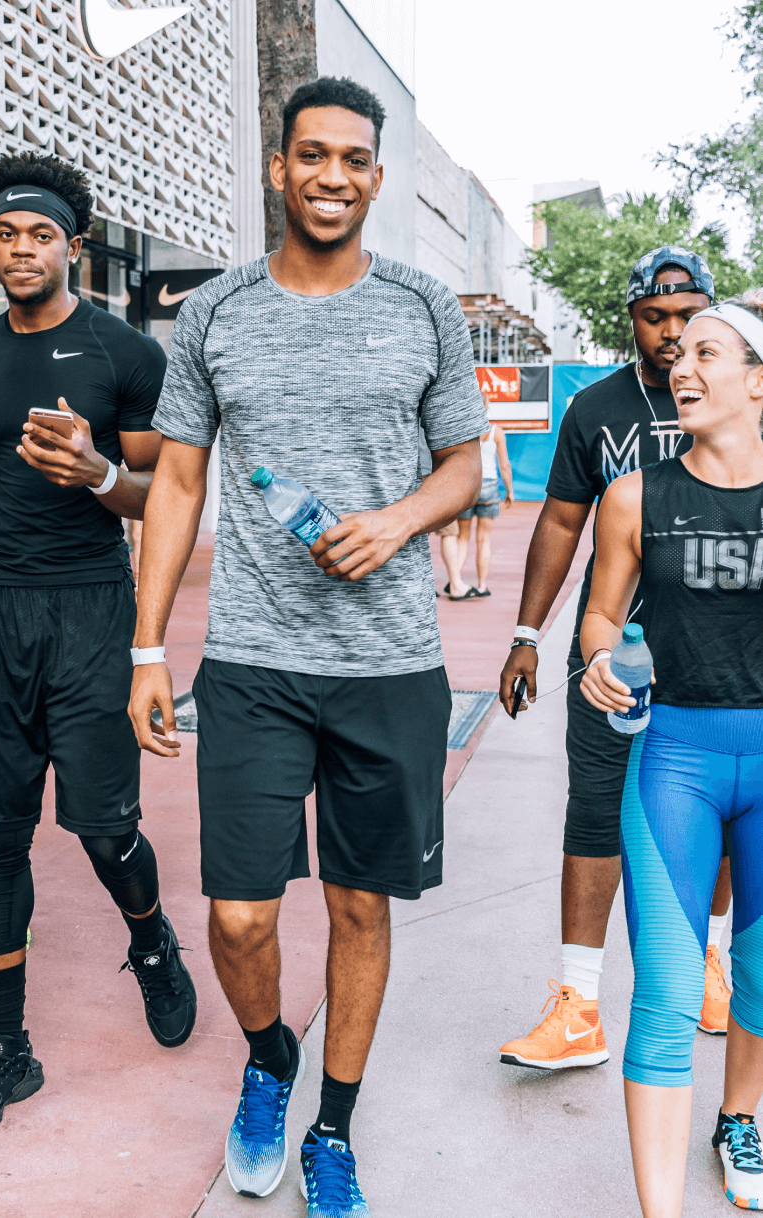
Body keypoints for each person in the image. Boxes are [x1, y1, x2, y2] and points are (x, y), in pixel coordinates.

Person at [129, 77, 486, 1217]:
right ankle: (268, 1060)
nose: (334, 176)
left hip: (389, 667)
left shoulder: (425, 306)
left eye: (355, 159)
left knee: (359, 907)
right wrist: (147, 649)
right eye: (313, 155)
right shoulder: (216, 311)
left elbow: (466, 466)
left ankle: (332, 1125)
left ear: (377, 178)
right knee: (239, 915)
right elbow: (177, 481)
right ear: (278, 168)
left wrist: (398, 521)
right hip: (253, 662)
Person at [0, 151, 196, 1140]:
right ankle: (8, 1049)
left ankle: (152, 942)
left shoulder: (124, 356)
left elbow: (165, 494)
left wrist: (96, 473)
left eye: (40, 234)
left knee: (102, 828)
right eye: (6, 235)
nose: (21, 249)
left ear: (73, 247)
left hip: (92, 609)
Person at [497, 247, 734, 1070]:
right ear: (631, 319)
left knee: (723, 817)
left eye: (688, 316)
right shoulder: (598, 408)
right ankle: (579, 1005)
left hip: (719, 652)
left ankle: (709, 964)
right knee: (595, 812)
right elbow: (561, 523)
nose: (671, 332)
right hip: (614, 649)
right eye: (654, 316)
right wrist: (527, 636)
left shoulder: (742, 398)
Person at [578, 292, 763, 1216]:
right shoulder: (636, 495)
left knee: (761, 982)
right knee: (666, 991)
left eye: (708, 353)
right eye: (678, 353)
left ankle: (740, 1119)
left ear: (758, 382)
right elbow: (600, 614)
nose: (682, 366)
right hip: (675, 761)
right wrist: (598, 659)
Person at [440, 408, 513, 599]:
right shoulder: (496, 432)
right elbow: (504, 465)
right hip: (489, 486)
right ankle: (482, 585)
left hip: (468, 485)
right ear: (487, 408)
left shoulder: (463, 431)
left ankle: (455, 580)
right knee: (484, 539)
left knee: (462, 537)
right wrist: (510, 490)